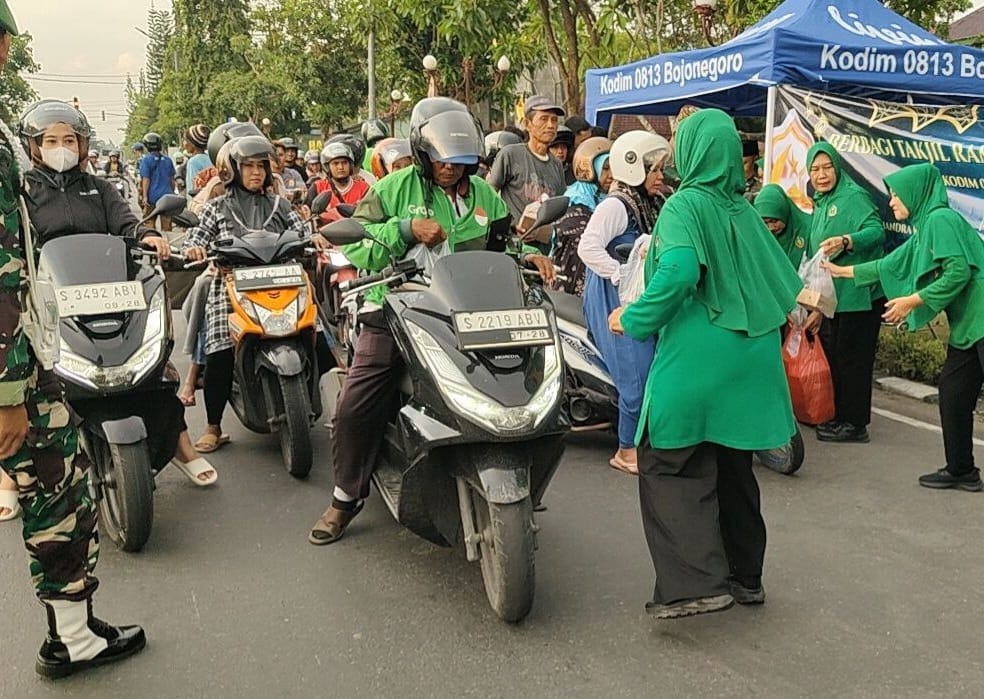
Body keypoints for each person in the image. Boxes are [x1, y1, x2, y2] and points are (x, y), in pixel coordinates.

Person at [308, 97, 555, 546]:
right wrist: (404, 230)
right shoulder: (393, 189)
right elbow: (359, 245)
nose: (451, 170)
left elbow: (501, 247)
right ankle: (345, 497)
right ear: (423, 154)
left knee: (527, 378)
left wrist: (529, 255)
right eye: (442, 161)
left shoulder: (483, 194)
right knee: (357, 403)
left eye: (460, 163)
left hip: (470, 311)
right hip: (397, 306)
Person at [608, 108, 802, 619]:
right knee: (735, 467)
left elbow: (678, 272)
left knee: (668, 463)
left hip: (697, 363)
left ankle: (695, 585)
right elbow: (785, 286)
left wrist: (634, 317)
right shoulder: (745, 209)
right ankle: (745, 578)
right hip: (752, 364)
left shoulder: (683, 206)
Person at [0, 12, 146, 673]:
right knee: (59, 495)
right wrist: (8, 391)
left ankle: (75, 632)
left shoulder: (90, 180)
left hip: (43, 342)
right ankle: (74, 637)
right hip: (15, 364)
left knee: (63, 492)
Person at [19, 100, 217, 486]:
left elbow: (128, 223)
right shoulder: (23, 192)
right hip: (50, 301)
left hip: (109, 292)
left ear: (82, 145)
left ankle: (180, 445)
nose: (62, 147)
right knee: (28, 377)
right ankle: (11, 474)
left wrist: (151, 236)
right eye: (51, 139)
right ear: (35, 147)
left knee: (155, 368)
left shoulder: (100, 188)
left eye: (69, 139)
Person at [825, 163, 984, 491]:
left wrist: (912, 301)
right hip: (970, 327)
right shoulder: (927, 226)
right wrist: (840, 273)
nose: (893, 202)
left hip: (981, 320)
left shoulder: (941, 219)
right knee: (953, 395)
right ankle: (961, 469)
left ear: (915, 193)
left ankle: (960, 468)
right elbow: (892, 264)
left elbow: (959, 273)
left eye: (897, 195)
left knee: (954, 394)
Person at [183, 136, 323, 452]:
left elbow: (303, 233)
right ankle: (213, 425)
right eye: (248, 166)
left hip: (282, 280)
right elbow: (198, 237)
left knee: (317, 335)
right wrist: (193, 248)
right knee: (218, 351)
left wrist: (317, 238)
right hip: (231, 283)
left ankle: (319, 399)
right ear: (232, 170)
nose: (256, 172)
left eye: (261, 166)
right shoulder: (216, 207)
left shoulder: (280, 204)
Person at [578, 131, 666, 474]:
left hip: (637, 294)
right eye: (654, 170)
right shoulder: (616, 205)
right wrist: (620, 273)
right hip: (609, 296)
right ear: (634, 170)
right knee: (637, 374)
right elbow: (588, 248)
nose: (660, 176)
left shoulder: (651, 202)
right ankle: (626, 450)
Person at [805, 142, 885, 443]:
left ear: (837, 168)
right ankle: (840, 416)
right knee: (837, 356)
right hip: (834, 296)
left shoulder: (853, 197)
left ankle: (855, 423)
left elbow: (876, 232)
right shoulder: (822, 202)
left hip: (859, 294)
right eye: (815, 169)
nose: (822, 175)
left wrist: (847, 240)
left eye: (827, 168)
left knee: (854, 359)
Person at [487, 95, 567, 247]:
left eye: (554, 120)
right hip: (514, 246)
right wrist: (509, 226)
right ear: (527, 124)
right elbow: (489, 196)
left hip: (545, 248)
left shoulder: (556, 164)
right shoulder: (510, 155)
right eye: (543, 119)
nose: (550, 125)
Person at [552, 136, 612, 296]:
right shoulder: (576, 200)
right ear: (591, 168)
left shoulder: (605, 197)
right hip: (569, 284)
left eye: (614, 168)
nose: (611, 175)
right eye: (605, 169)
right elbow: (585, 242)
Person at [303, 142, 371, 221]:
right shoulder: (318, 187)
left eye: (344, 163)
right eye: (336, 163)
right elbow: (306, 213)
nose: (340, 167)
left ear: (351, 165)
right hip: (323, 232)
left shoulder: (364, 188)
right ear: (327, 166)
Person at [753, 183, 810, 270]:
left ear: (784, 213)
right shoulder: (756, 236)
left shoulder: (809, 228)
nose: (770, 228)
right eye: (765, 223)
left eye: (774, 221)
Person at [139, 131, 175, 232]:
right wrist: (171, 192)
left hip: (152, 197)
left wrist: (145, 197)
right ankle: (168, 245)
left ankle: (152, 245)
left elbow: (146, 179)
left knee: (149, 223)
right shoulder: (168, 160)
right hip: (167, 197)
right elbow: (172, 180)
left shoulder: (146, 160)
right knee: (167, 227)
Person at [274, 137, 307, 203]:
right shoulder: (263, 176)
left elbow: (304, 193)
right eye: (274, 155)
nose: (277, 159)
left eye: (281, 155)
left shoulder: (294, 174)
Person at [183, 123, 211, 196]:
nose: (184, 144)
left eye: (185, 140)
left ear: (192, 144)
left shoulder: (193, 162)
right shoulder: (211, 158)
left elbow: (192, 189)